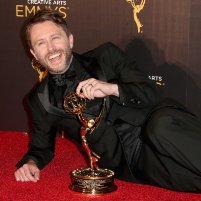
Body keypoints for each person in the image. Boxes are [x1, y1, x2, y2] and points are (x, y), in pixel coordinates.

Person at [15, 9, 201, 193]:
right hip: (134, 162)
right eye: (41, 43)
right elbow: (41, 148)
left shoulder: (106, 56)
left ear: (70, 40)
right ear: (34, 53)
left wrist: (112, 89)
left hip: (160, 123)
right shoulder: (40, 100)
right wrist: (31, 163)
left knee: (160, 126)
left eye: (55, 37)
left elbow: (151, 93)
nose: (51, 48)